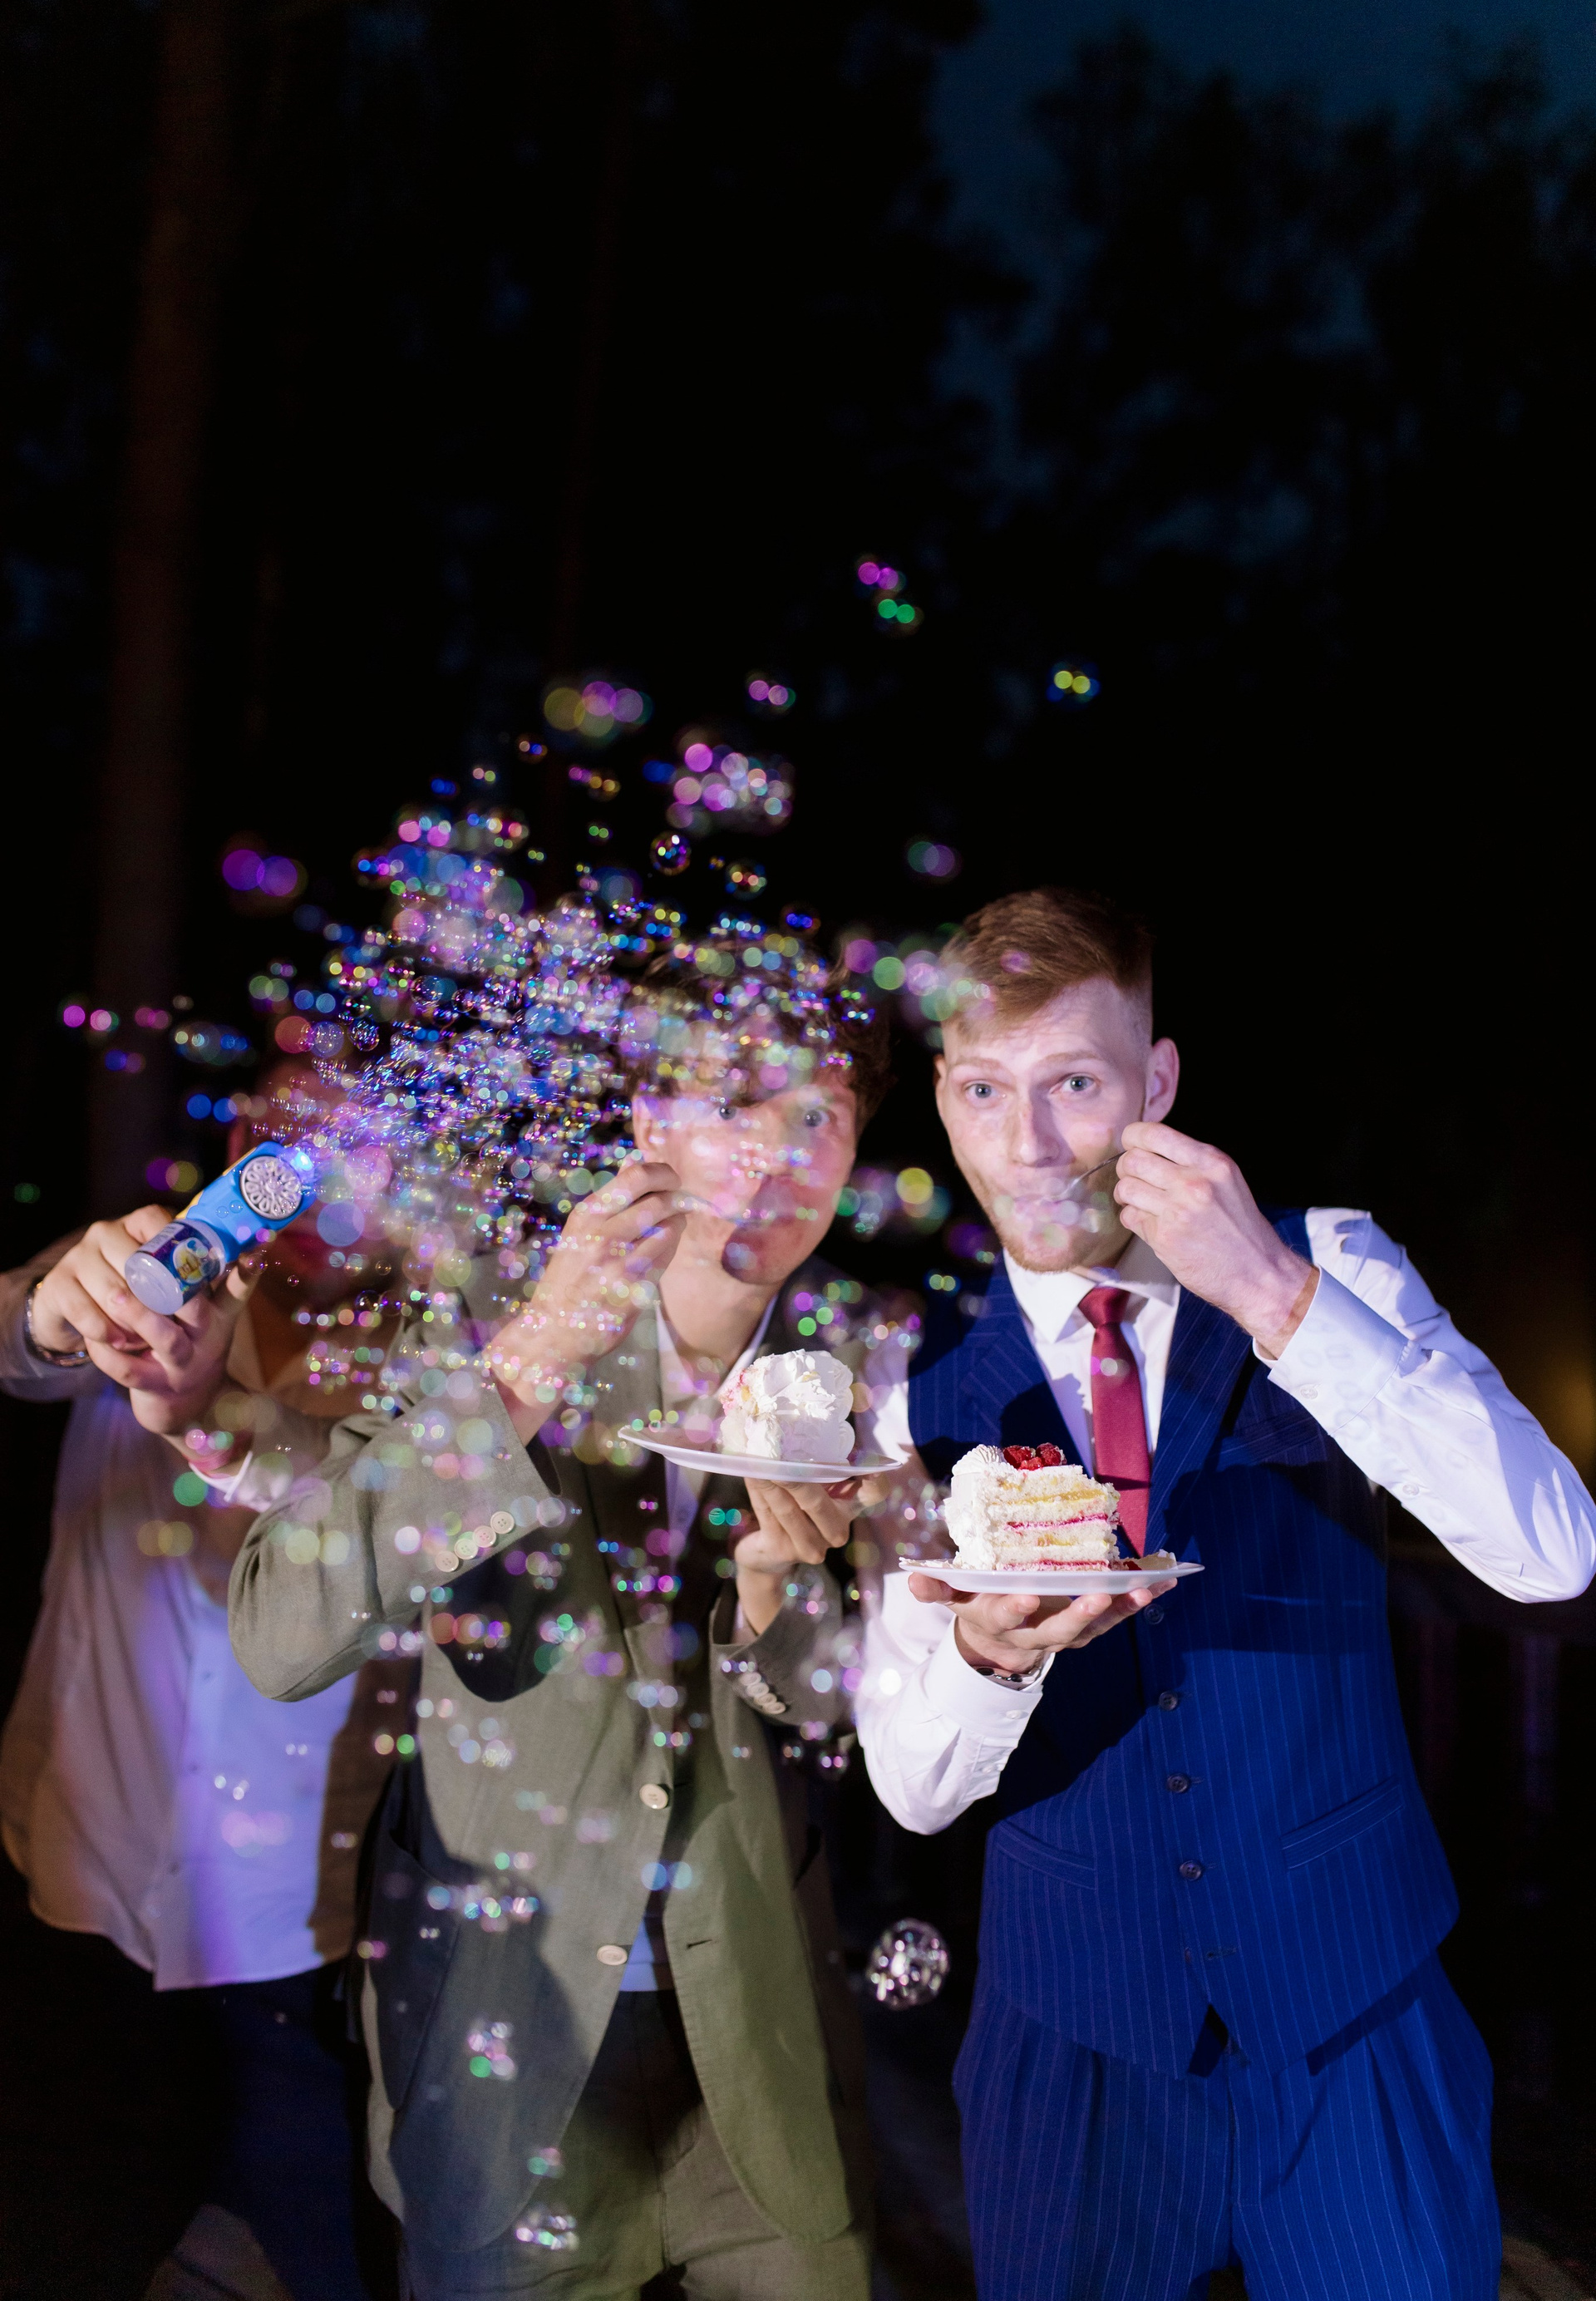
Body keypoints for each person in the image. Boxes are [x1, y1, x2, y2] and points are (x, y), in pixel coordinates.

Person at [108, 944, 895, 2301]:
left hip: (760, 2060)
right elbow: (286, 1634)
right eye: (730, 1102)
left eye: (814, 1113)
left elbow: (841, 1710)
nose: (774, 1155)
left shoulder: (861, 1368)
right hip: (504, 2043)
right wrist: (537, 1352)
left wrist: (774, 1590)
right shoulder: (488, 1314)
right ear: (647, 1121)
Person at [854, 885, 1596, 2301]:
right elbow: (912, 1788)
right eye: (986, 1090)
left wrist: (1269, 1291)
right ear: (943, 1101)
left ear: (1158, 1084)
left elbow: (1555, 1552)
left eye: (1076, 1084)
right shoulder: (911, 1376)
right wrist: (985, 1656)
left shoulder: (1329, 1260)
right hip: (1070, 2038)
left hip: (1353, 2008)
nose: (1031, 1145)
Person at [0, 1071, 410, 2301]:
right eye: (290, 1131)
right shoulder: (137, 1281)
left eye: (362, 1142)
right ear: (239, 1144)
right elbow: (16, 1337)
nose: (319, 1172)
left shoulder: (433, 1371)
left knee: (328, 2263)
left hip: (292, 1933)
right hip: (81, 1883)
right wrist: (46, 1315)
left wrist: (202, 1409)